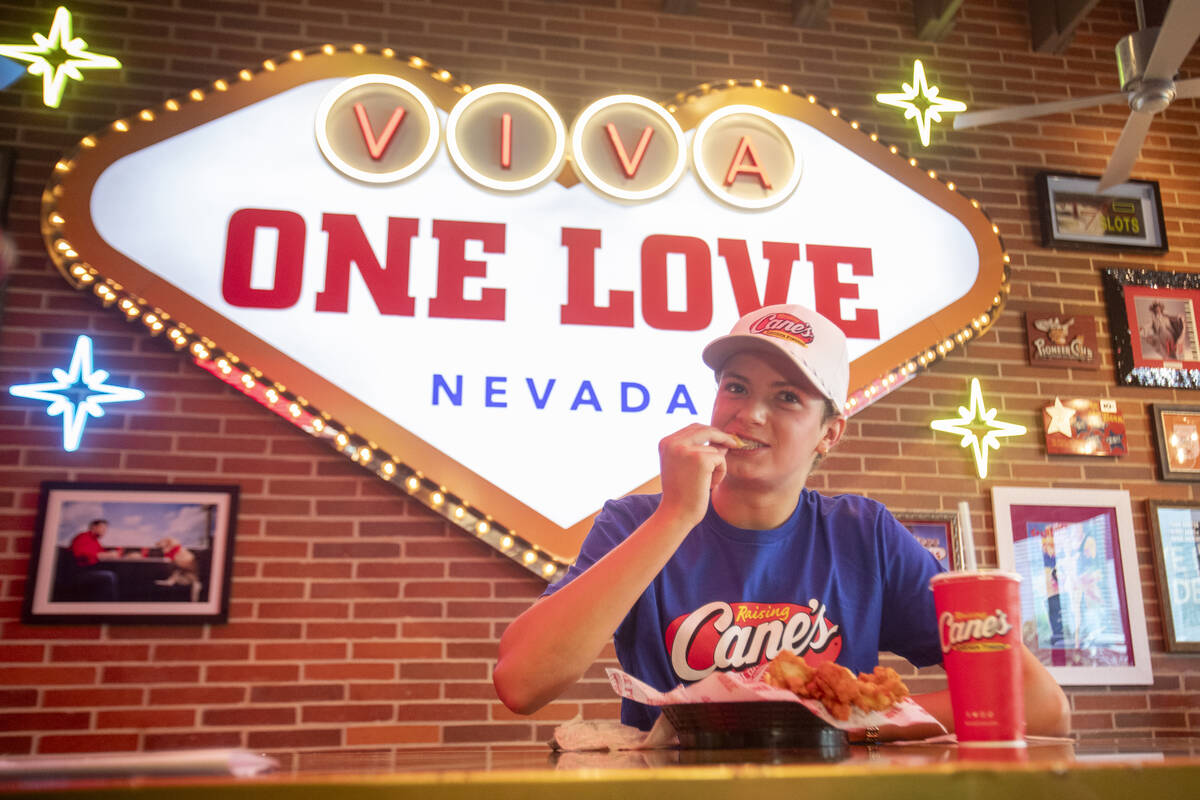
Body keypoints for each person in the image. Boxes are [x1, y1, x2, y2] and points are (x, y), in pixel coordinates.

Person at [493, 303, 1071, 740]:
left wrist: (840, 719)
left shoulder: (863, 534)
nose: (750, 414)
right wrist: (675, 515)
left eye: (788, 397)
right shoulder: (635, 523)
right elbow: (520, 683)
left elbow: (1038, 702)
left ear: (829, 433)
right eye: (736, 387)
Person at [65, 519, 122, 601]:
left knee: (114, 574)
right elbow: (79, 554)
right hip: (79, 573)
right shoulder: (83, 537)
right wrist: (103, 555)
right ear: (93, 527)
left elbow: (101, 552)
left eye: (106, 529)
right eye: (103, 528)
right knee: (110, 576)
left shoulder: (95, 541)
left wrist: (110, 553)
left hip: (89, 570)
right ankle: (111, 606)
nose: (105, 531)